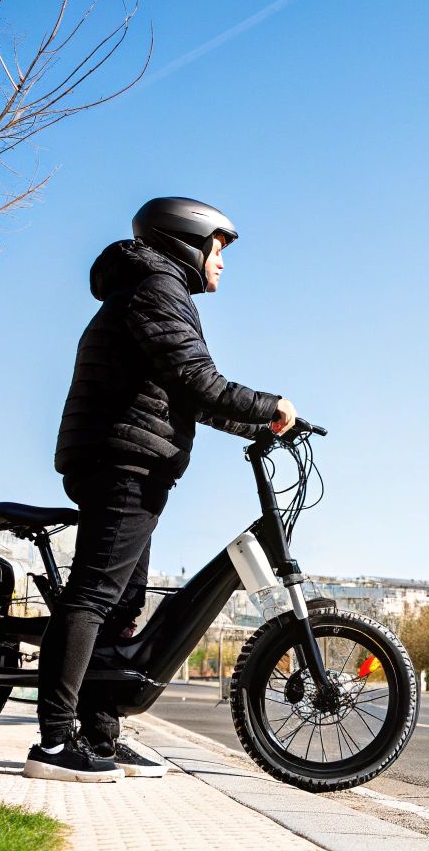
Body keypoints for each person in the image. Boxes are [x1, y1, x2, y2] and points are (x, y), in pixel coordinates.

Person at [24, 197, 295, 782]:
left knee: (121, 602)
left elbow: (186, 390)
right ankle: (53, 742)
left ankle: (99, 735)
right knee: (95, 594)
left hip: (129, 458)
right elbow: (199, 380)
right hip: (122, 459)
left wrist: (260, 424)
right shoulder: (155, 288)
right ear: (187, 240)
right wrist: (269, 404)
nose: (221, 261)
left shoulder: (151, 287)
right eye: (217, 248)